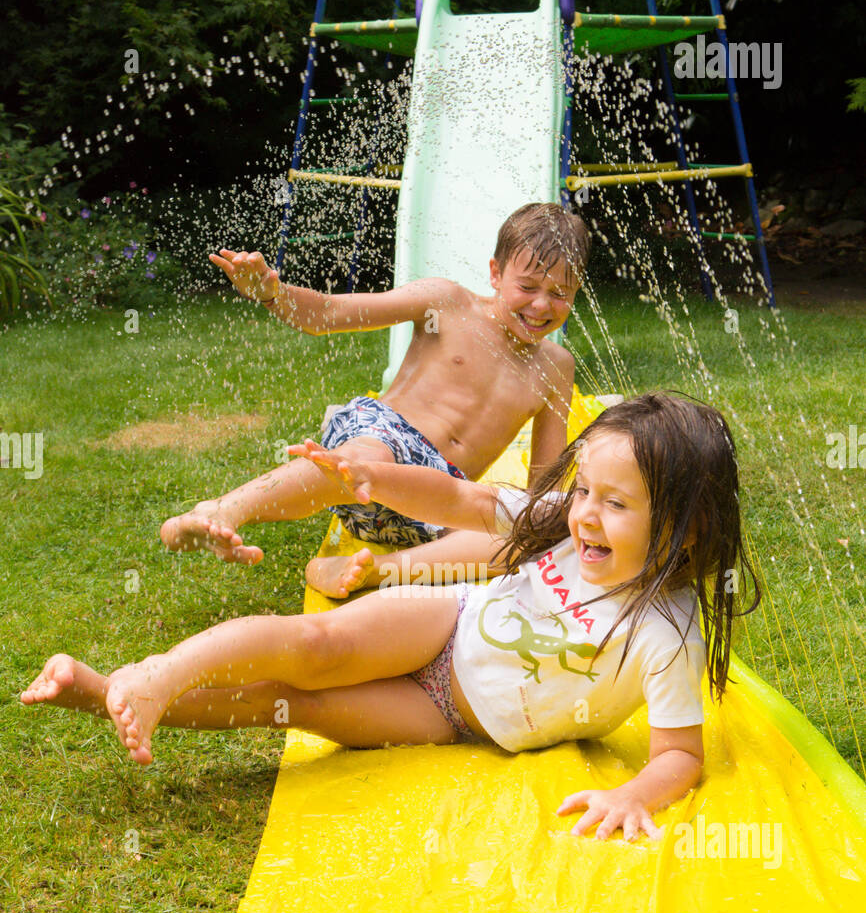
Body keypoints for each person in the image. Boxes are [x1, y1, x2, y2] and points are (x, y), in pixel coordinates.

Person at [21, 393, 759, 842]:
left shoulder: (666, 633)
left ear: (686, 528)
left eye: (616, 503)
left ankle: (102, 691)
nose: (586, 514)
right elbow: (467, 502)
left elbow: (679, 756)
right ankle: (159, 674)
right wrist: (376, 478)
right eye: (585, 489)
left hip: (455, 719)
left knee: (295, 705)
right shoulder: (566, 523)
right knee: (316, 642)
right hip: (446, 622)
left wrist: (631, 797)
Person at [159, 202, 589, 581]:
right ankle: (223, 512)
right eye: (528, 287)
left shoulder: (556, 366)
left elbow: (544, 481)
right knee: (362, 462)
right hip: (386, 435)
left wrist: (536, 524)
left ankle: (363, 574)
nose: (540, 305)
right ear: (496, 273)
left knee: (516, 542)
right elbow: (329, 313)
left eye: (559, 293)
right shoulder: (448, 303)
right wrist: (273, 294)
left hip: (433, 498)